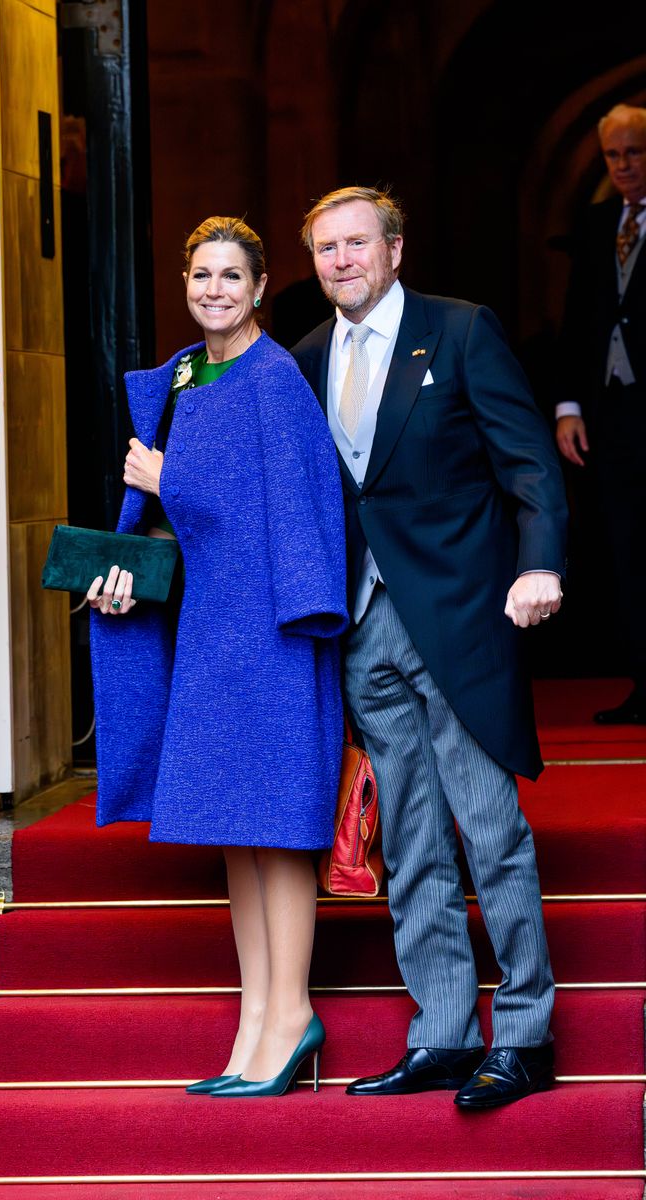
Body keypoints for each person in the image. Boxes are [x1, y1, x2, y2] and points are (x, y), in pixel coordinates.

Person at [292, 186, 569, 1109]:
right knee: (410, 843)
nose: (341, 259)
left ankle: (525, 1037)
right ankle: (444, 1034)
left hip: (459, 618)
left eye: (356, 242)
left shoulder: (460, 333)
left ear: (395, 249)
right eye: (325, 247)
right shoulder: (306, 358)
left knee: (490, 833)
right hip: (362, 627)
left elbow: (527, 459)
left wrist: (542, 566)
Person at [86, 216, 349, 1098]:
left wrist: (170, 481)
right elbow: (167, 521)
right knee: (237, 837)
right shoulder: (187, 376)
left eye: (231, 276)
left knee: (278, 837)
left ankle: (293, 1013)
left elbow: (296, 517)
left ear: (261, 285)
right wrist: (123, 564)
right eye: (201, 274)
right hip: (209, 633)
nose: (213, 290)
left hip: (271, 637)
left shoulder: (275, 380)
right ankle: (254, 1021)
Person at [555, 103, 646, 724]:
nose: (623, 165)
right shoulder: (594, 225)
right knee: (626, 547)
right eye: (613, 154)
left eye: (634, 152)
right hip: (611, 414)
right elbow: (577, 320)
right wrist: (567, 405)